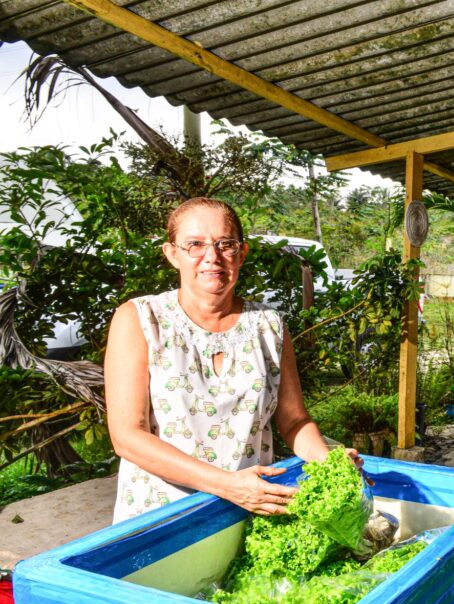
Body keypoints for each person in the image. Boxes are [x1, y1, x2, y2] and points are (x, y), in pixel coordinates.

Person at [105, 197, 359, 523]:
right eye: (194, 244)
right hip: (161, 514)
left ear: (242, 252)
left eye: (225, 244)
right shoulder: (141, 318)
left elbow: (294, 422)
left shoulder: (269, 325)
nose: (212, 257)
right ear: (172, 254)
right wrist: (227, 485)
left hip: (246, 509)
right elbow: (127, 436)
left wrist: (328, 460)